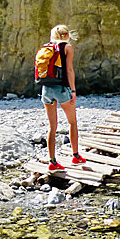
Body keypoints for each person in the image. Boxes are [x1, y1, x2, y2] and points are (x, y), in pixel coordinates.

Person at [41, 25, 86, 170]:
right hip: (61, 89)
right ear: (65, 35)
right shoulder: (67, 48)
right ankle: (76, 156)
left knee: (52, 127)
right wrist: (73, 90)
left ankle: (52, 162)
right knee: (72, 122)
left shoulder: (46, 47)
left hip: (46, 89)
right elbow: (69, 70)